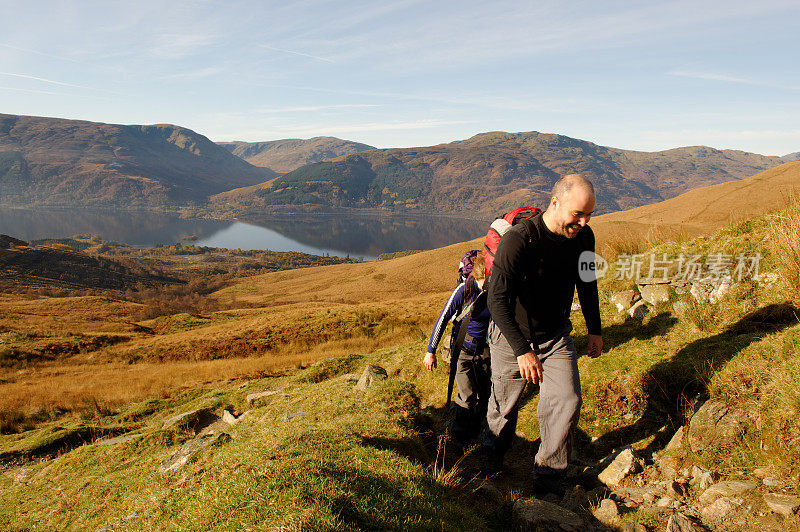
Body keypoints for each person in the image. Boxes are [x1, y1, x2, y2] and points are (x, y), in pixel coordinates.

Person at [483, 174, 603, 494]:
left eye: (589, 214)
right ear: (555, 202)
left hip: (556, 335)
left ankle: (548, 476)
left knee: (567, 399)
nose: (584, 221)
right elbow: (496, 299)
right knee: (504, 406)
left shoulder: (585, 237)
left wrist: (595, 330)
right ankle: (492, 459)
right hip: (512, 337)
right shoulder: (520, 239)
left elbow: (587, 283)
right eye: (577, 213)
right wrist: (523, 350)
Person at [423, 252, 491, 448]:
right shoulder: (464, 290)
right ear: (476, 277)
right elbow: (443, 318)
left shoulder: (496, 289)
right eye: (482, 284)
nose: (484, 289)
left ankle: (476, 434)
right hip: (462, 350)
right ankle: (459, 441)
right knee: (467, 394)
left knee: (485, 394)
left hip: (485, 350)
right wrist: (431, 351)